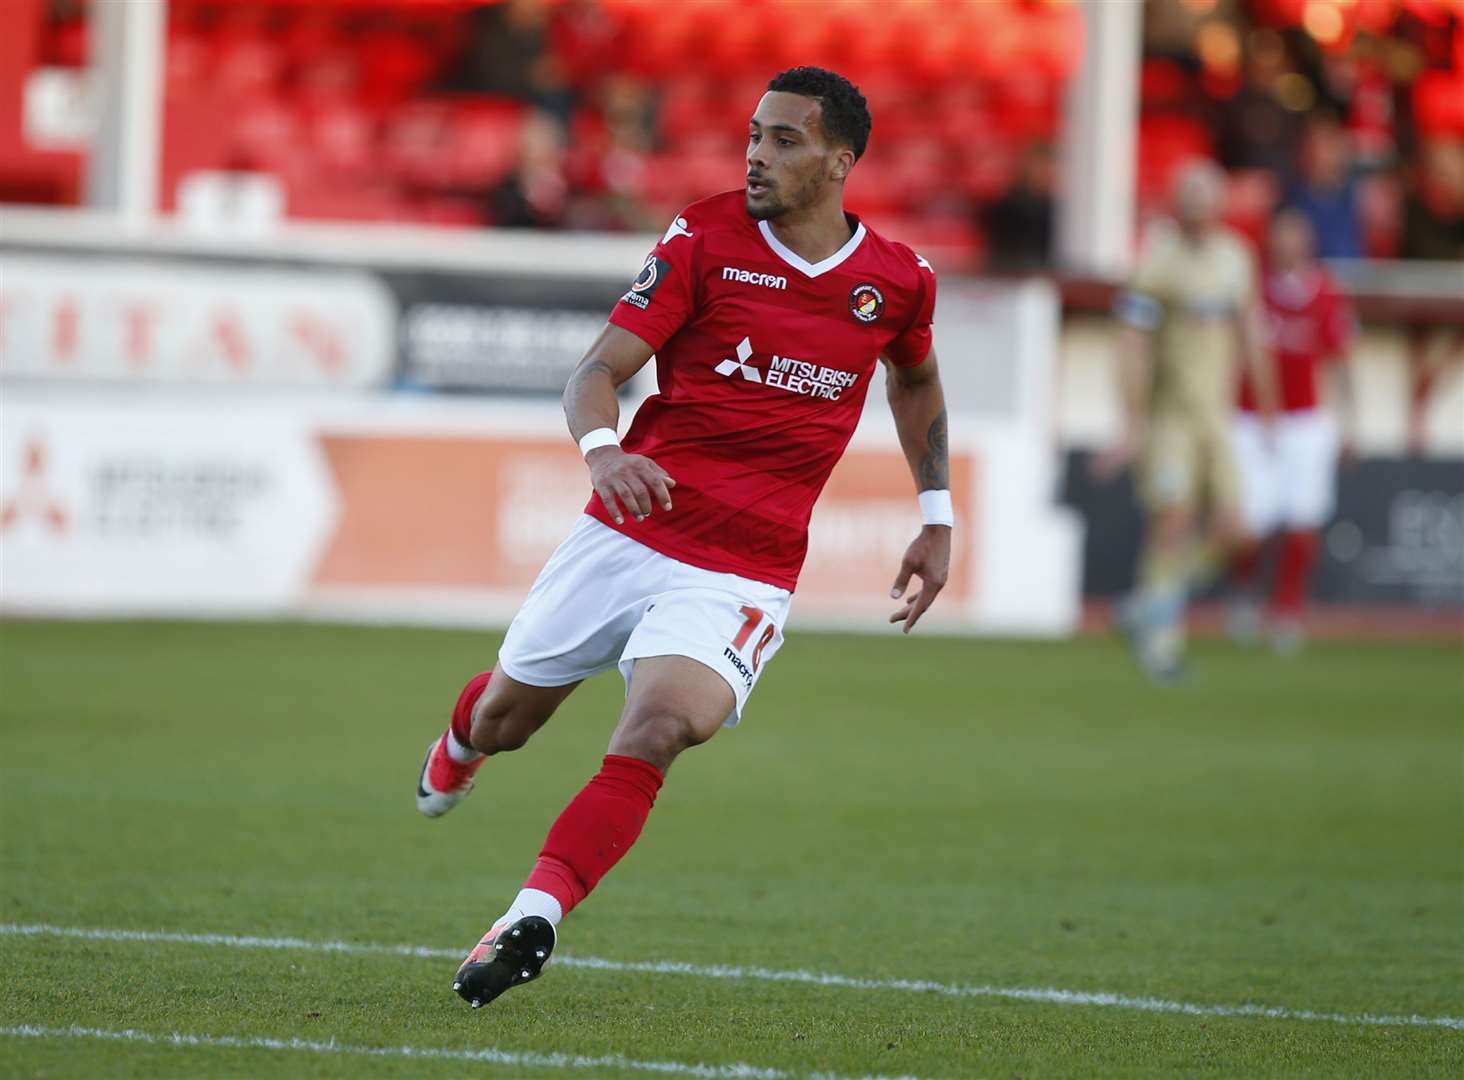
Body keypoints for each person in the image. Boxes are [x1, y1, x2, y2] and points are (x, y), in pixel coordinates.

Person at [413, 67, 950, 1009]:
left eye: (784, 140)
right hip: (630, 527)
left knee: (662, 728)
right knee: (510, 719)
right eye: (753, 135)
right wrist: (604, 451)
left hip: (746, 567)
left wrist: (936, 516)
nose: (756, 154)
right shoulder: (704, 237)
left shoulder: (897, 283)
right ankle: (463, 738)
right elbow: (595, 370)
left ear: (840, 161)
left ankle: (531, 914)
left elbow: (914, 382)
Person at [1094, 160, 1277, 682]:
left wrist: (1266, 409)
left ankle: (1147, 604)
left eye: (1206, 197)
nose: (1198, 207)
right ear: (1177, 205)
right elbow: (1131, 343)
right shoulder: (1158, 264)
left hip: (1216, 418)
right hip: (1171, 418)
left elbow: (1252, 333)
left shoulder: (1237, 259)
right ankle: (1161, 643)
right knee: (1172, 519)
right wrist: (1132, 421)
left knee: (1238, 529)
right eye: (1189, 197)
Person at [1226, 209, 1358, 652]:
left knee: (1303, 519)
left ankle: (1288, 609)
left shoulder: (1326, 293)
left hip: (1305, 420)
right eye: (1281, 232)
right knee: (1248, 521)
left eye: (1296, 233)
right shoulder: (1251, 291)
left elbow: (1341, 361)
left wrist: (1350, 421)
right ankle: (1245, 594)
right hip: (1250, 418)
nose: (1288, 241)